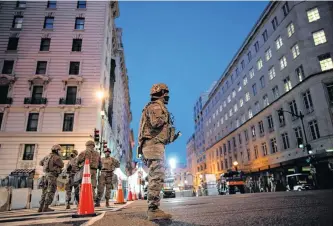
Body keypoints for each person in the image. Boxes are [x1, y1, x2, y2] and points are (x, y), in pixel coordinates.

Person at [138, 83, 181, 221]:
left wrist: (171, 135)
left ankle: (153, 208)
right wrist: (164, 116)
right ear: (161, 92)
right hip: (153, 146)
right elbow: (156, 123)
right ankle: (153, 210)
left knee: (155, 176)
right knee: (157, 176)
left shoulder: (153, 106)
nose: (168, 95)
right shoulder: (156, 106)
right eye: (166, 92)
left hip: (154, 145)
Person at [38, 144, 64, 212]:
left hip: (45, 175)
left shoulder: (47, 156)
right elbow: (62, 165)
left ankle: (40, 207)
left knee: (44, 191)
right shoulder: (56, 157)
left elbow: (40, 163)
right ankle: (46, 207)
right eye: (59, 150)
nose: (60, 152)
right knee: (51, 191)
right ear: (56, 150)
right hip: (52, 176)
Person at [77, 140, 101, 204]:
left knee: (83, 185)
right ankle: (92, 200)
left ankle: (82, 201)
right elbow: (100, 165)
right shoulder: (97, 153)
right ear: (93, 146)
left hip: (85, 171)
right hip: (94, 171)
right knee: (92, 186)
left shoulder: (84, 152)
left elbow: (78, 161)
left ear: (87, 146)